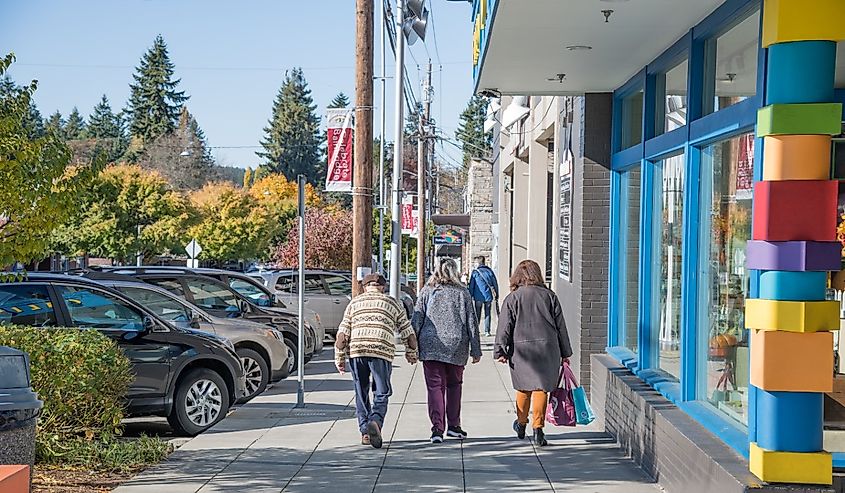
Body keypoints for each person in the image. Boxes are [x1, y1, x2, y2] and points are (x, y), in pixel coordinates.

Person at [493, 259, 572, 447]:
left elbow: (504, 327)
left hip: (521, 350)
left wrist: (500, 351)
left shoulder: (513, 298)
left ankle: (521, 423)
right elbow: (561, 327)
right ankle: (538, 429)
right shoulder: (549, 296)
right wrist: (565, 352)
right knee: (541, 388)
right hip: (547, 349)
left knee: (523, 388)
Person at [335, 273, 418, 449]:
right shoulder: (392, 303)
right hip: (381, 350)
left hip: (357, 351)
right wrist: (411, 353)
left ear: (365, 287)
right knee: (382, 391)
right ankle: (376, 420)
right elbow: (408, 332)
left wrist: (340, 358)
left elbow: (342, 335)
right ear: (382, 287)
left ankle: (365, 431)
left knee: (360, 391)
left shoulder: (354, 303)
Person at [412, 258, 482, 444]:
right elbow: (471, 322)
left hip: (431, 346)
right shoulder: (463, 293)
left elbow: (417, 320)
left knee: (435, 387)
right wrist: (476, 350)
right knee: (455, 386)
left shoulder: (427, 291)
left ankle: (437, 428)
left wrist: (412, 346)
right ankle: (454, 425)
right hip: (456, 345)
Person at [468, 256, 499, 337]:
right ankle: (487, 331)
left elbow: (471, 286)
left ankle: (476, 330)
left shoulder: (475, 272)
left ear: (478, 263)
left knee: (477, 313)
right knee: (487, 313)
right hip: (488, 296)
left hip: (478, 296)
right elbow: (495, 284)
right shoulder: (490, 271)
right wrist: (497, 294)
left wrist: (470, 296)